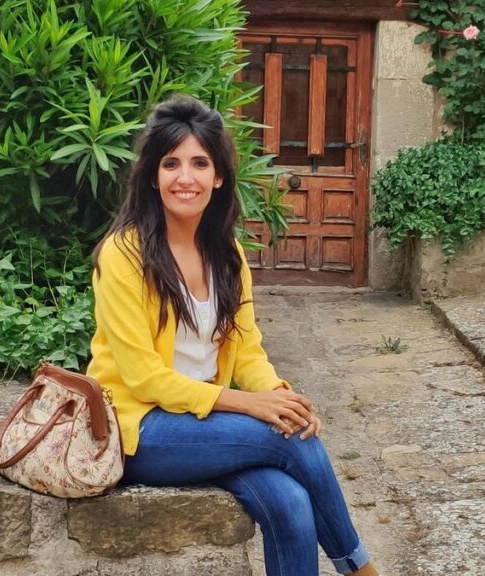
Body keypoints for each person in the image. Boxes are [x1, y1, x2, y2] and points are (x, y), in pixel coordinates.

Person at [86, 95, 378, 576]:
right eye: (171, 164)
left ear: (218, 176)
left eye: (199, 163)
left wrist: (279, 396)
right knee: (290, 442)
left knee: (290, 503)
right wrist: (250, 405)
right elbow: (143, 378)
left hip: (204, 425)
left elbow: (246, 350)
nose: (185, 177)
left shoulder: (226, 254)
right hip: (141, 429)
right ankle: (361, 570)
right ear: (153, 176)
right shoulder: (124, 254)